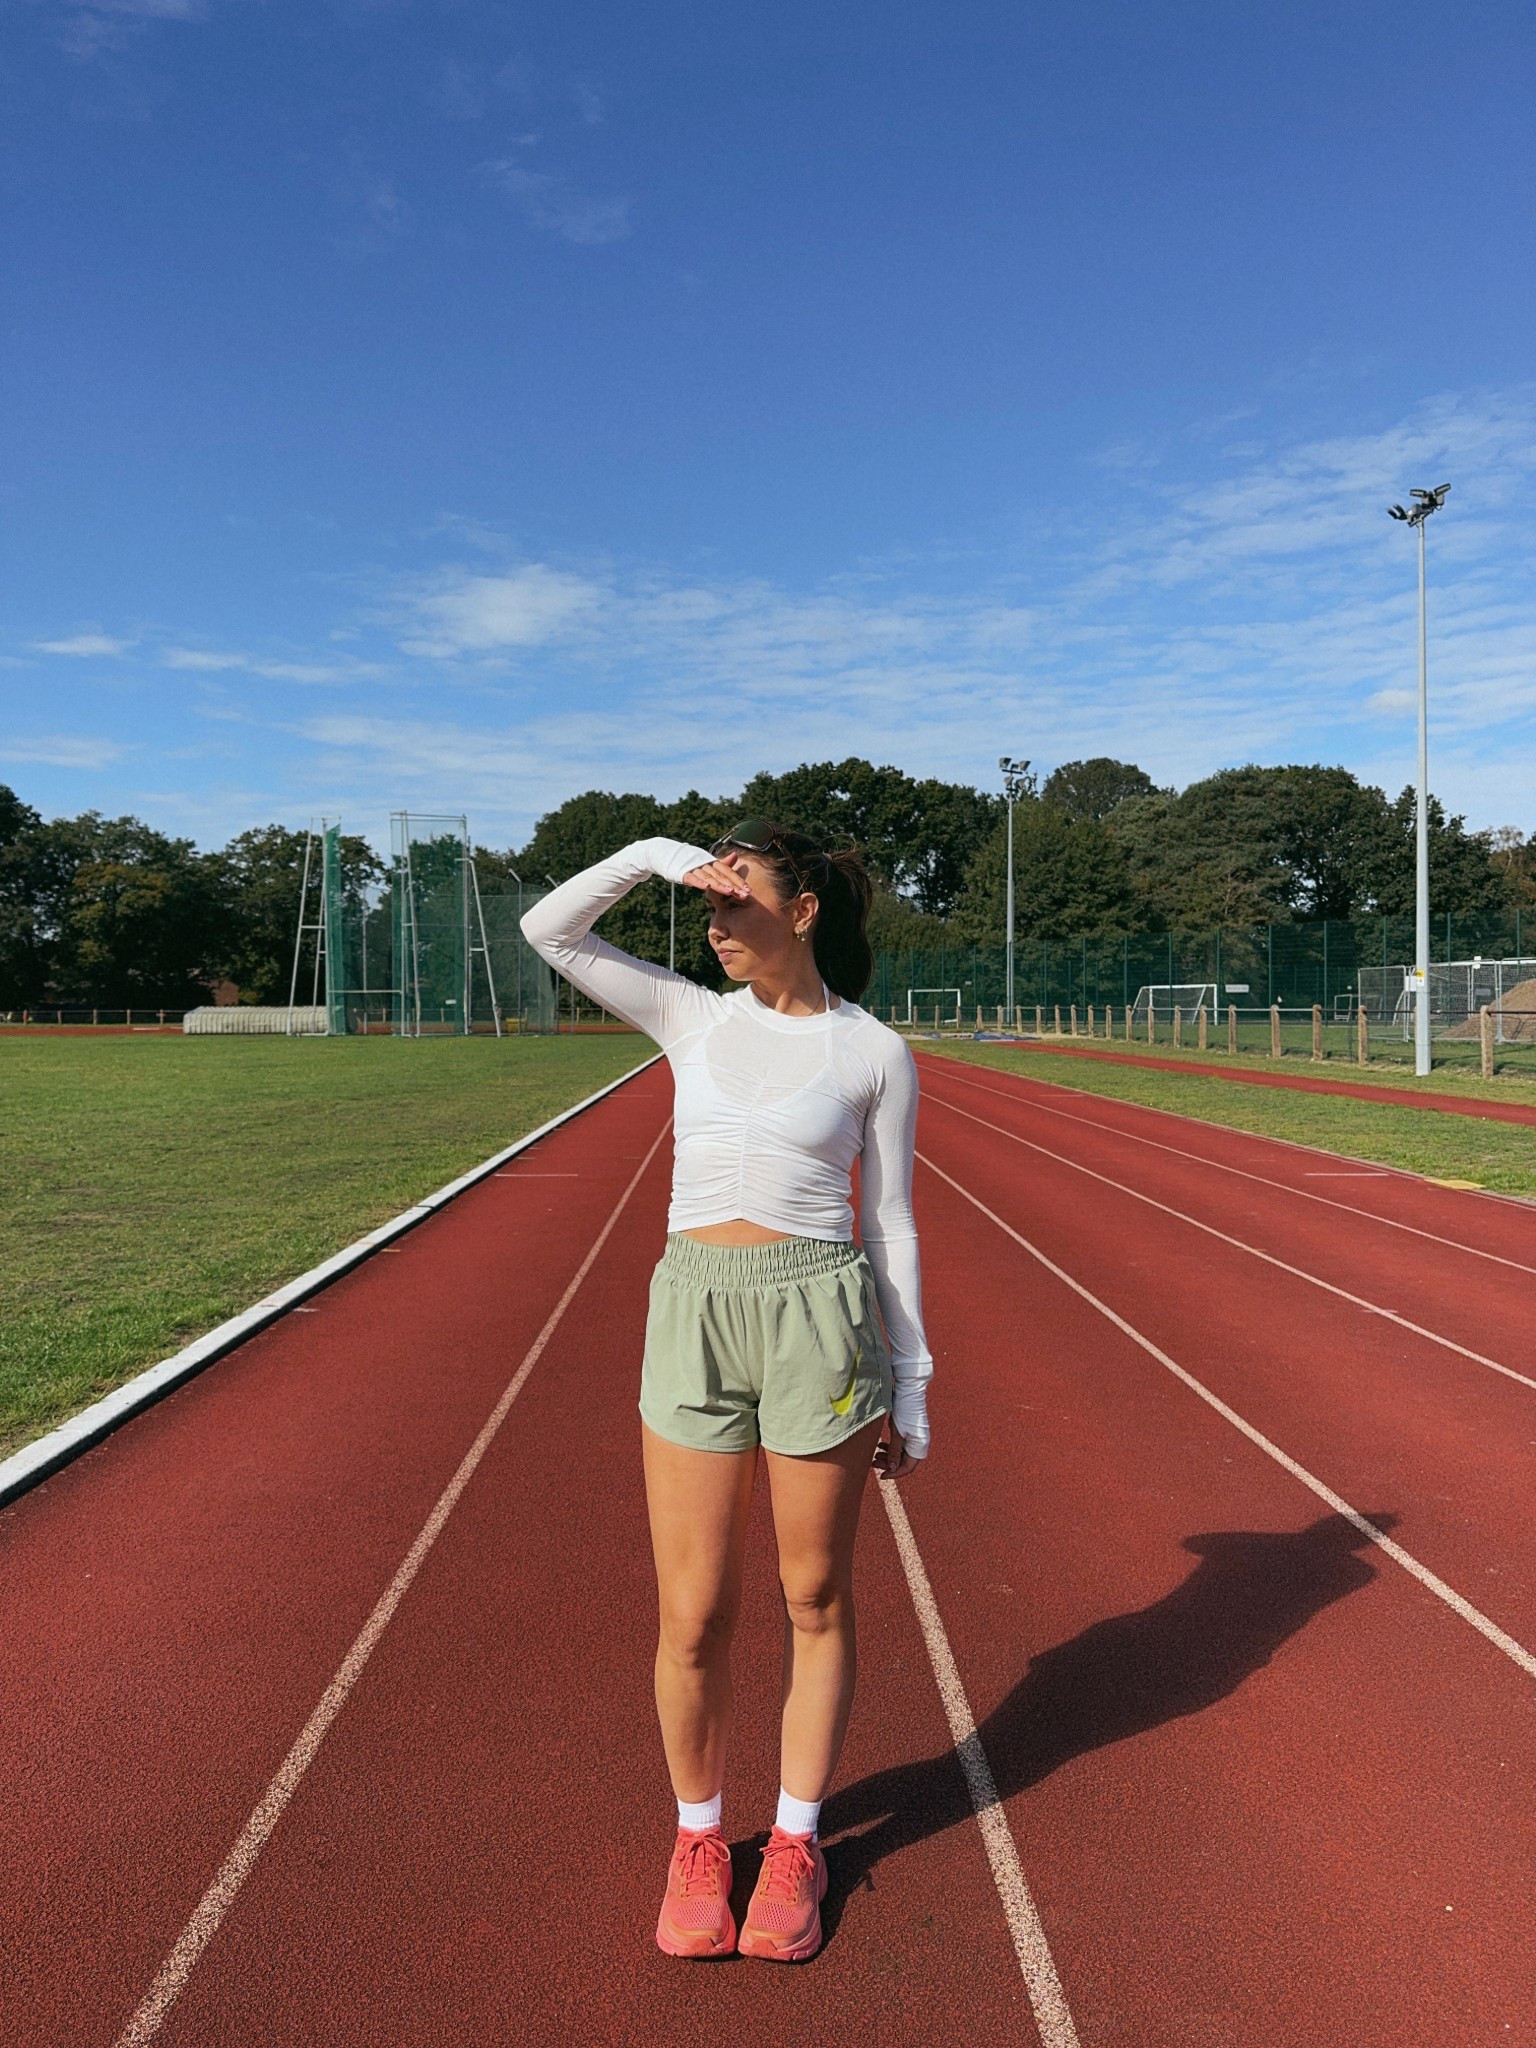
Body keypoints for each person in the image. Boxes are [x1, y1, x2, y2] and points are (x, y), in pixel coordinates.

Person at [521, 818, 931, 1964]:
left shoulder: (873, 1051)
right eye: (706, 898)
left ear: (802, 911)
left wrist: (915, 1383)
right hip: (694, 1309)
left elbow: (890, 1222)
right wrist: (660, 849)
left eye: (737, 895)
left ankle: (796, 1839)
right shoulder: (690, 1018)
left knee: (815, 1596)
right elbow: (549, 926)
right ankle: (700, 1837)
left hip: (819, 1314)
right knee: (692, 1611)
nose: (714, 920)